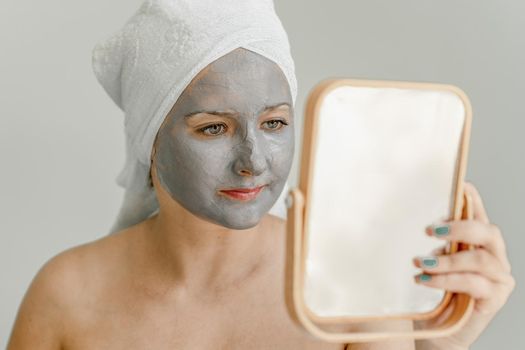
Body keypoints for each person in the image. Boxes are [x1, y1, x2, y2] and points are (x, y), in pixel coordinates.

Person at [7, 1, 515, 349]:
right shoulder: (67, 294)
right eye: (213, 128)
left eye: (274, 123)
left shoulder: (350, 281)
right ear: (151, 138)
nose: (253, 160)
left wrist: (439, 344)